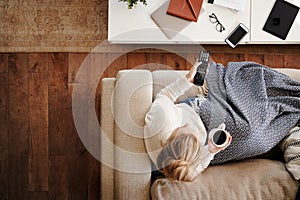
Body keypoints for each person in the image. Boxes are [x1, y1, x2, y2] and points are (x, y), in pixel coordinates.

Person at [144, 59, 300, 182]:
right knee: (257, 142)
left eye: (185, 127)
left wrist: (187, 79)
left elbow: (165, 95)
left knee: (245, 127)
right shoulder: (186, 167)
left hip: (197, 112)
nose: (186, 125)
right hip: (207, 146)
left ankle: (287, 102)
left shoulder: (160, 120)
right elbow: (199, 166)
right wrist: (211, 151)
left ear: (171, 136)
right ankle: (286, 120)